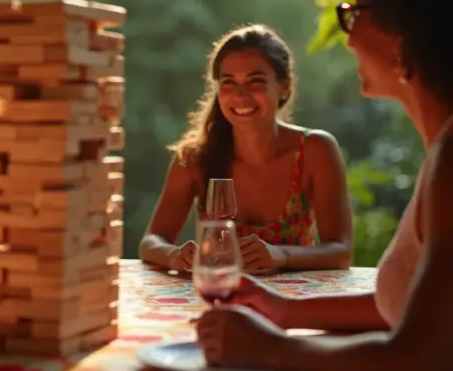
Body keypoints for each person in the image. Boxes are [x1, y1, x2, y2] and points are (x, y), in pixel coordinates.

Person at [196, 0, 453, 371]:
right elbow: (409, 304)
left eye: (355, 12)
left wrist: (273, 350)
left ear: (412, 27)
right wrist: (285, 311)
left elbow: (416, 369)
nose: (348, 32)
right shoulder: (442, 154)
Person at [139, 24, 353, 273]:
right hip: (219, 297)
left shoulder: (316, 150)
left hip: (291, 306)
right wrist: (175, 255)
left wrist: (282, 255)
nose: (241, 96)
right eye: (228, 82)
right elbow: (151, 242)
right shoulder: (194, 158)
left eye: (256, 81)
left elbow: (340, 252)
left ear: (285, 86)